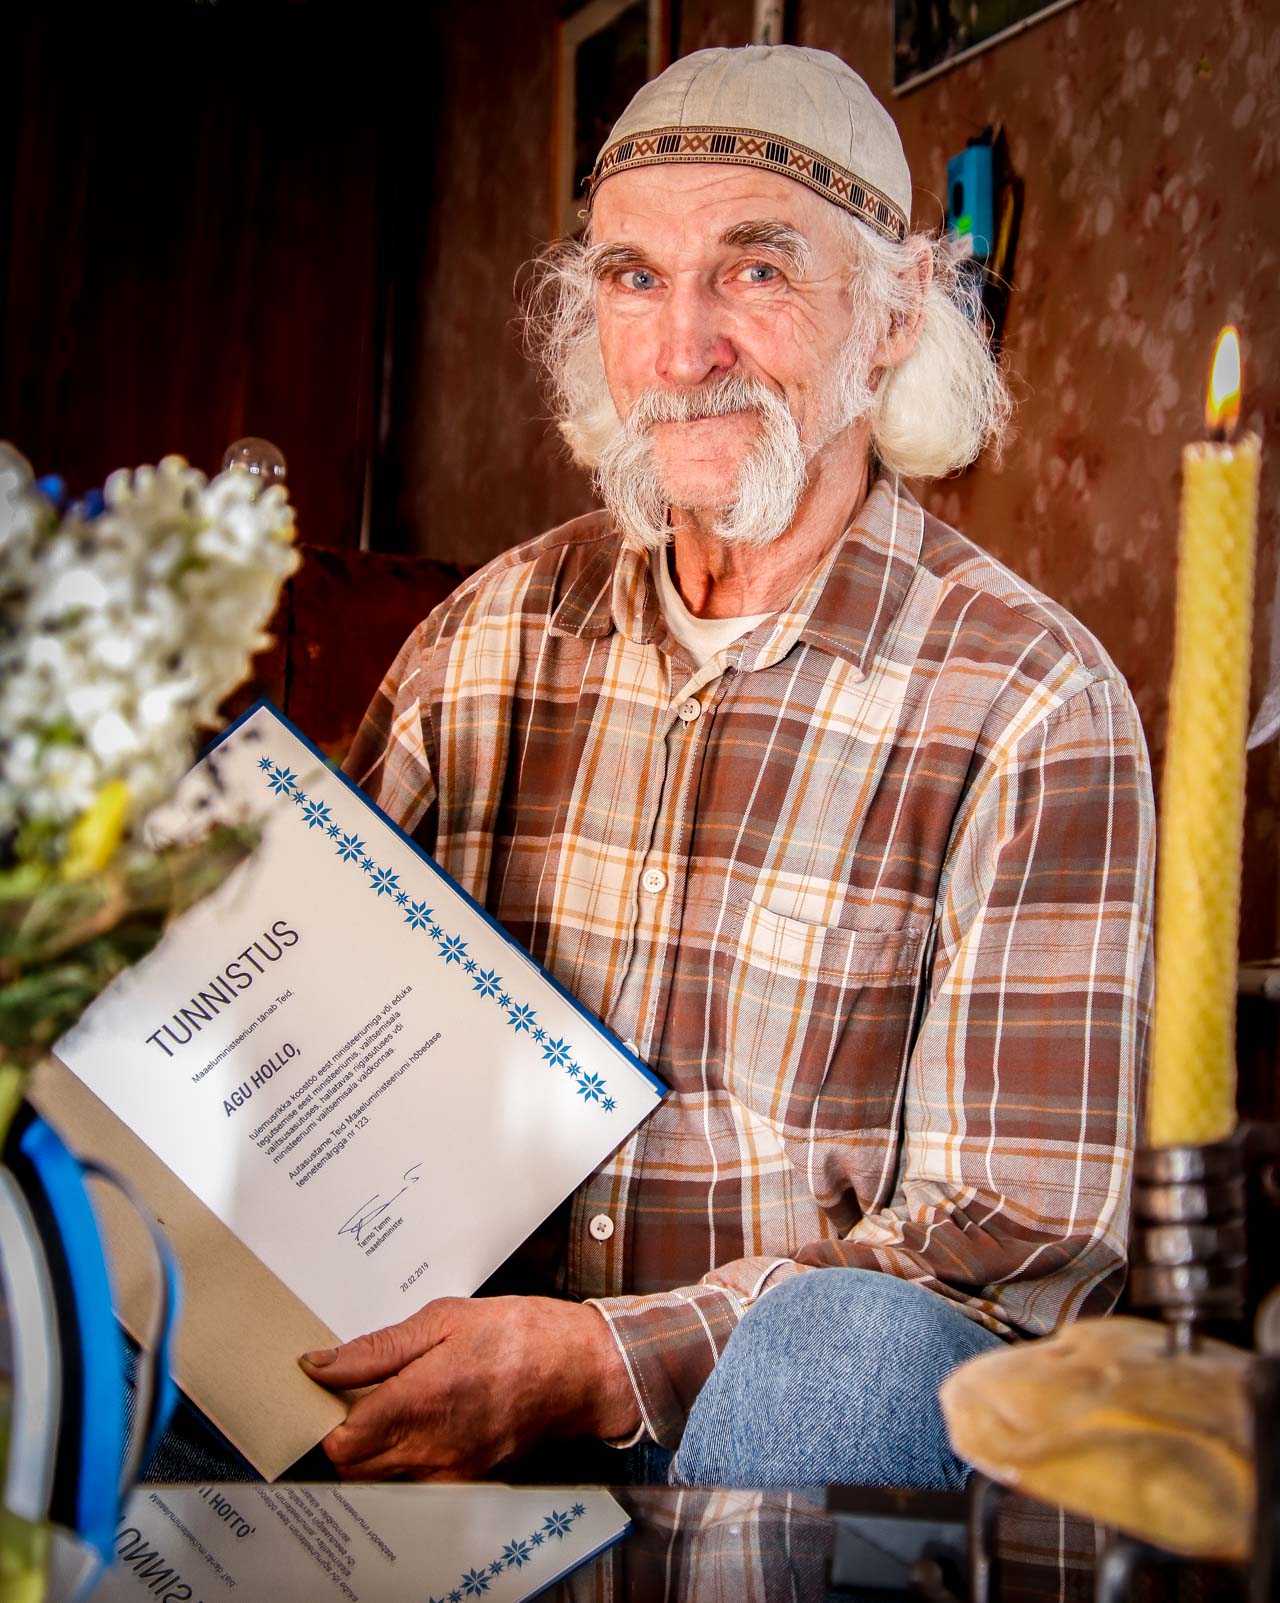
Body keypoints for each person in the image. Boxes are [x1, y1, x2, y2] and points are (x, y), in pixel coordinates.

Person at [303, 44, 1155, 1492]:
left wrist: (593, 1366)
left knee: (845, 1353)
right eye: (634, 279)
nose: (683, 345)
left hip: (762, 1461)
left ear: (891, 321)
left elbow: (1011, 1250)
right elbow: (293, 1024)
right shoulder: (488, 634)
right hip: (426, 1397)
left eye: (755, 272)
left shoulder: (1029, 697)